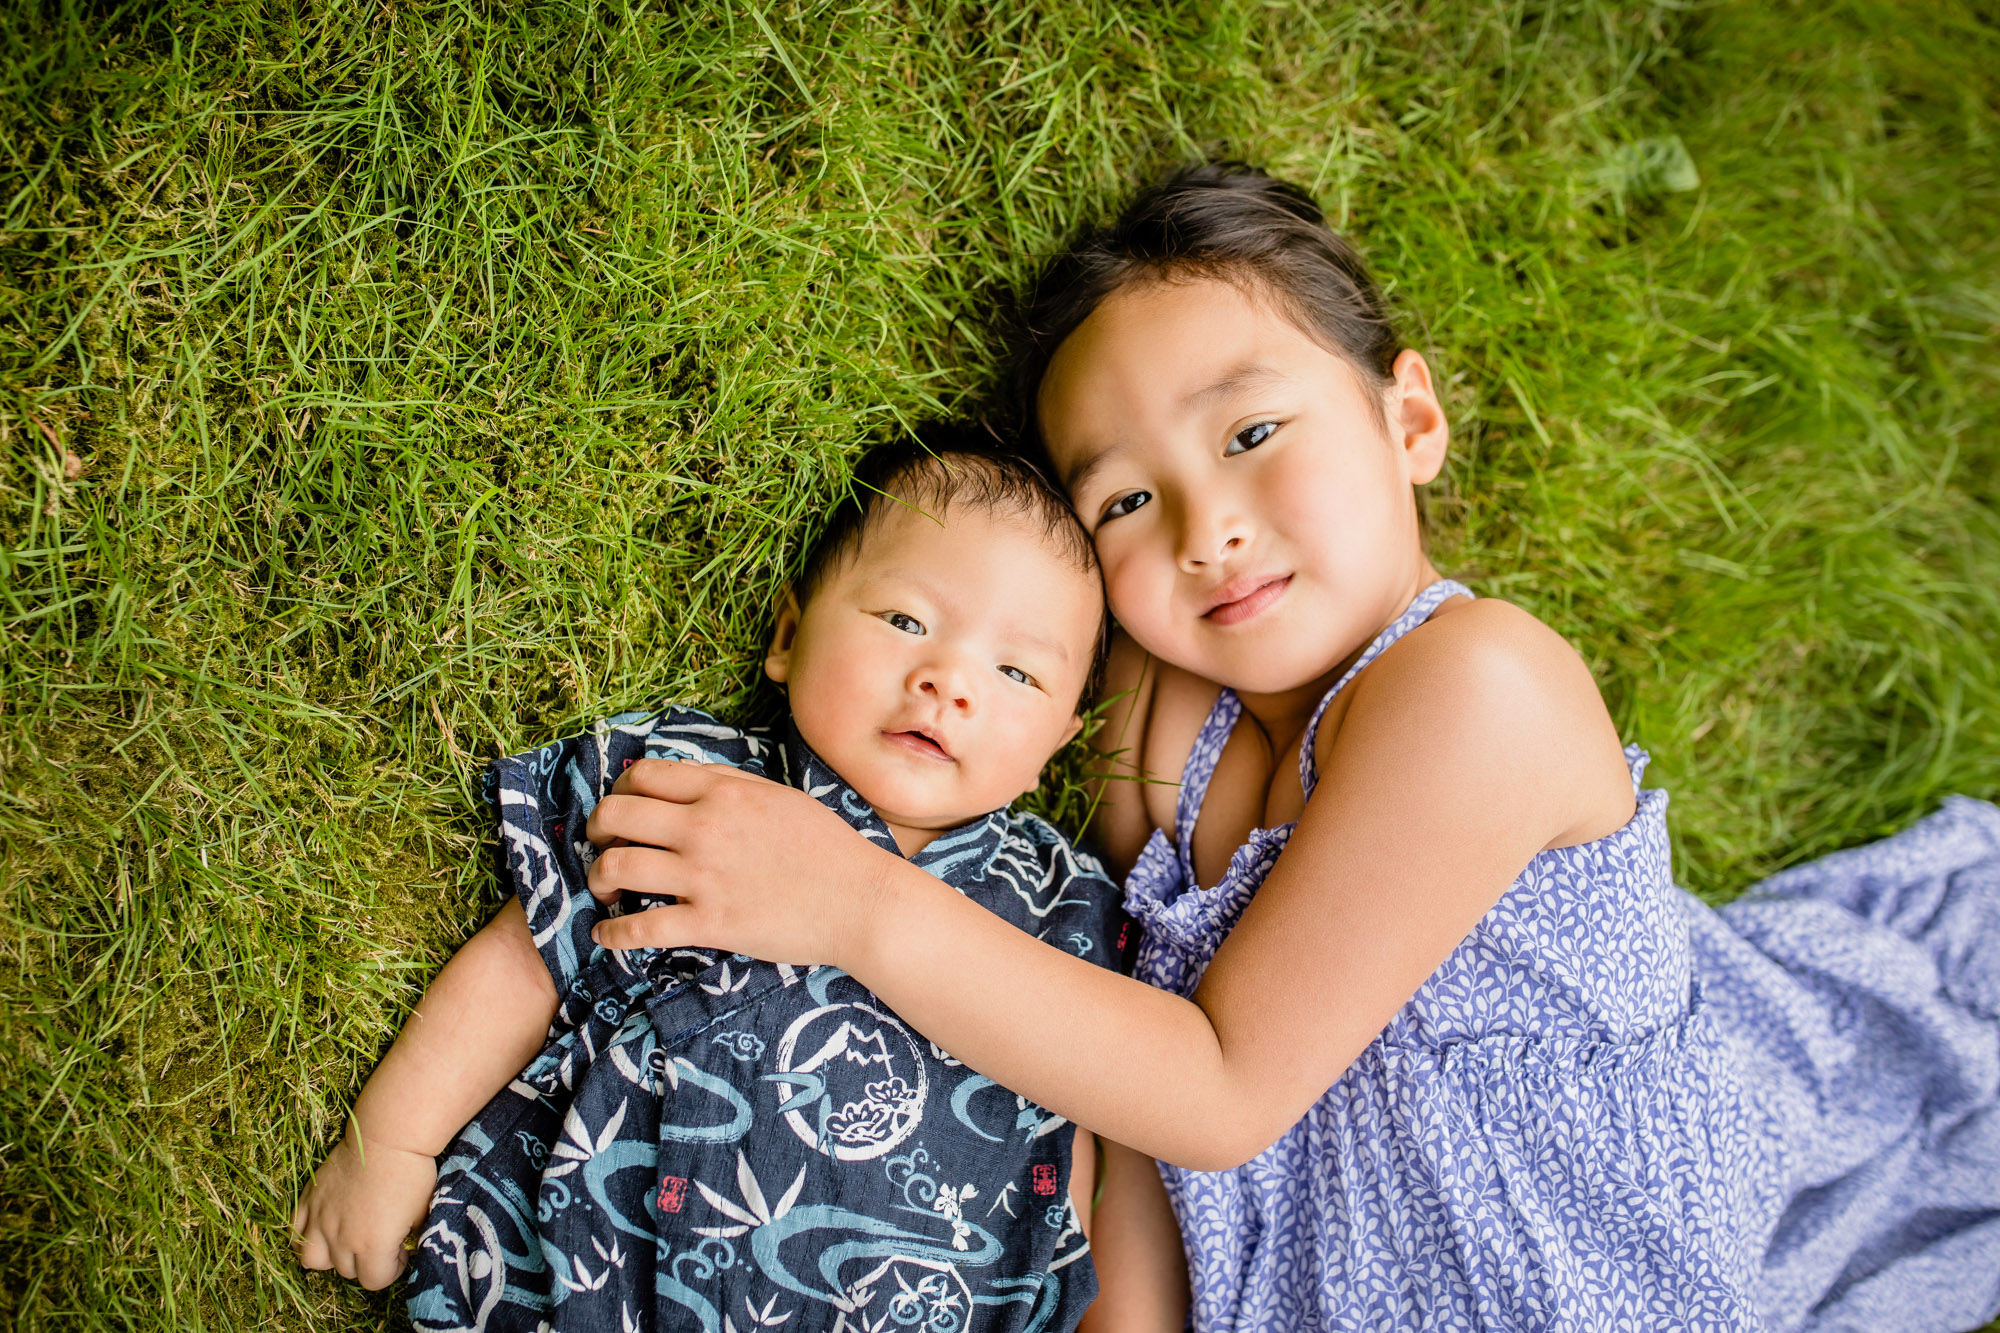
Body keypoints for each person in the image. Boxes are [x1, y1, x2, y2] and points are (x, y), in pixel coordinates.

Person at [577, 164, 2000, 1332]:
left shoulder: (1476, 685)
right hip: (1309, 1263)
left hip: (1569, 1268)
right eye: (1126, 501)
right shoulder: (1161, 721)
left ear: (1410, 419)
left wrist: (856, 904)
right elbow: (1123, 1021)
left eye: (1253, 429)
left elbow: (1217, 1086)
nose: (1207, 527)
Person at [291, 437, 1171, 1332]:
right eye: (906, 621)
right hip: (602, 1276)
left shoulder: (1062, 904)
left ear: (1055, 745)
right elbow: (528, 962)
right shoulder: (700, 791)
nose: (949, 683)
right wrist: (395, 1142)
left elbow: (1065, 1129)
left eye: (1017, 673)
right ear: (789, 636)